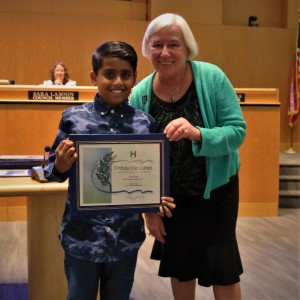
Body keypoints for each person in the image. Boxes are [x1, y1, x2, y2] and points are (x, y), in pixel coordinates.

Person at [43, 41, 175, 300]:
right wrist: (60, 165)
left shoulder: (145, 124)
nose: (118, 81)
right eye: (109, 74)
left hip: (125, 240)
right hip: (82, 237)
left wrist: (155, 200)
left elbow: (148, 176)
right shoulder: (74, 119)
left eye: (126, 75)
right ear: (95, 77)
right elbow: (50, 171)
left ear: (135, 78)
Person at [130, 13, 246, 300]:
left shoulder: (212, 77)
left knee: (222, 266)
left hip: (216, 193)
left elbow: (237, 131)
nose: (165, 52)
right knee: (179, 266)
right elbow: (137, 159)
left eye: (174, 44)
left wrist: (199, 134)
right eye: (157, 45)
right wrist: (148, 211)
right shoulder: (140, 95)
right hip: (170, 201)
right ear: (148, 48)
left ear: (187, 47)